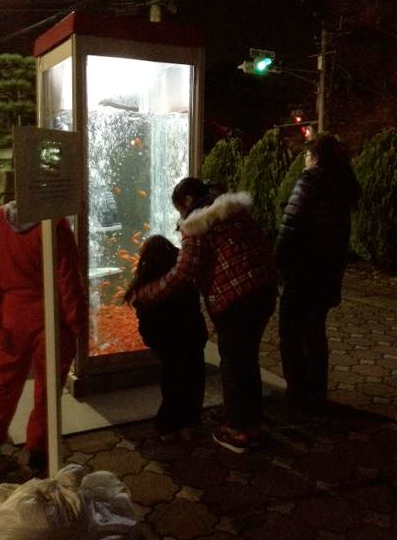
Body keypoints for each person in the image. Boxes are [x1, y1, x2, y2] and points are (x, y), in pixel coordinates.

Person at [136, 178, 277, 454]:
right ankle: (253, 422)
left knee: (234, 363)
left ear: (187, 201)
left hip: (236, 298)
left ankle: (238, 431)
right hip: (265, 291)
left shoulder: (198, 223)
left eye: (179, 210)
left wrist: (149, 292)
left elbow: (185, 271)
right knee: (247, 359)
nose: (180, 217)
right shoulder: (234, 211)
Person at [0, 201, 87, 472]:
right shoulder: (55, 221)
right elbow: (67, 276)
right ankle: (39, 449)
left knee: (5, 376)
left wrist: (2, 305)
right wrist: (77, 321)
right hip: (48, 314)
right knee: (47, 387)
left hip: (12, 310)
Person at [276, 134, 361, 412]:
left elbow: (291, 227)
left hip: (303, 271)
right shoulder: (342, 185)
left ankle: (297, 392)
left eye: (308, 154)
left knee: (290, 331)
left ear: (317, 157)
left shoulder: (310, 181)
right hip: (328, 273)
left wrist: (277, 264)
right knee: (315, 331)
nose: (304, 159)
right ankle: (316, 392)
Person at [125, 235, 208, 442]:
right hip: (191, 337)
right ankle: (190, 424)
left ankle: (168, 426)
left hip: (166, 342)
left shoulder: (145, 286)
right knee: (193, 379)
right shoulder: (182, 281)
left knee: (172, 380)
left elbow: (145, 320)